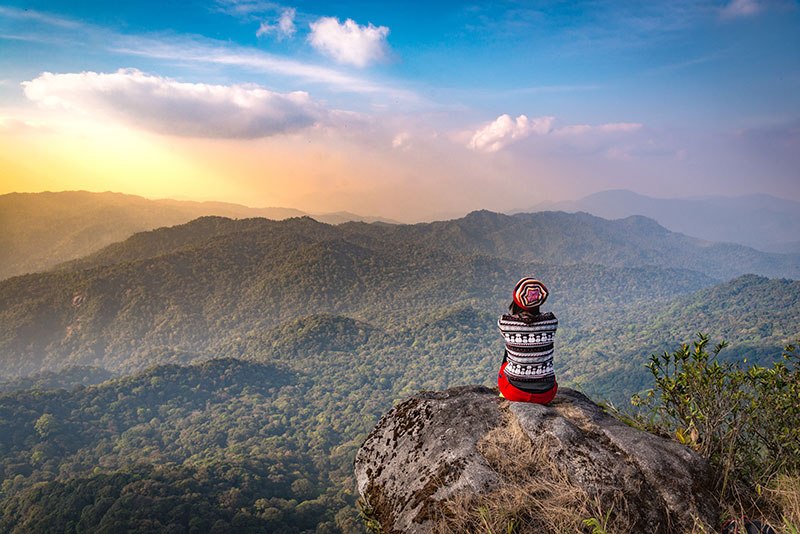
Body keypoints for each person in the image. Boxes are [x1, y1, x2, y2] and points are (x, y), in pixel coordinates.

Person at [497, 277, 558, 404]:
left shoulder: (505, 322)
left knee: (505, 362)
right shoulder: (551, 321)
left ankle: (505, 392)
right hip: (546, 394)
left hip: (514, 392)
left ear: (516, 299)